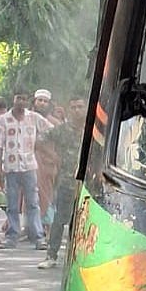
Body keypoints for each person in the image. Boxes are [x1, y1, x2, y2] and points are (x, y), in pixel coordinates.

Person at [0, 91, 52, 250]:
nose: (21, 101)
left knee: (33, 202)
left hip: (29, 166)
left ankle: (38, 237)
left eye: (24, 98)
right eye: (18, 98)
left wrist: (40, 143)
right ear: (13, 99)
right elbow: (0, 145)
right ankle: (11, 236)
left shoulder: (34, 118)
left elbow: (51, 130)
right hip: (10, 166)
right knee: (12, 203)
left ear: (28, 101)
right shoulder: (3, 120)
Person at [41, 97, 87, 269]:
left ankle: (79, 257)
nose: (77, 110)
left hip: (88, 184)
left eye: (80, 107)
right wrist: (53, 157)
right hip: (67, 182)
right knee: (60, 219)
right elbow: (40, 141)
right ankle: (51, 255)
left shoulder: (93, 130)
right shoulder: (62, 130)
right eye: (73, 107)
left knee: (83, 221)